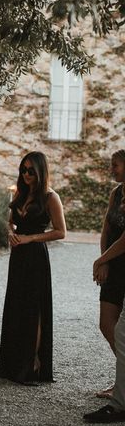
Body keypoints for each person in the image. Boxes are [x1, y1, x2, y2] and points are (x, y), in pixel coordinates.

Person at [0, 151, 66, 385]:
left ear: (40, 171)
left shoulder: (50, 197)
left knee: (34, 307)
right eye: (23, 170)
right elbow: (11, 221)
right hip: (17, 257)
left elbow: (60, 231)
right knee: (17, 304)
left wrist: (29, 238)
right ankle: (13, 362)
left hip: (35, 256)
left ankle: (33, 362)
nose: (26, 174)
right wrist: (10, 232)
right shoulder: (20, 193)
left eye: (30, 171)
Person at [91, 150, 125, 398]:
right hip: (113, 265)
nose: (111, 169)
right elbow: (107, 229)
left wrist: (103, 259)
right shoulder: (116, 194)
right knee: (106, 324)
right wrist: (104, 262)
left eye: (115, 165)